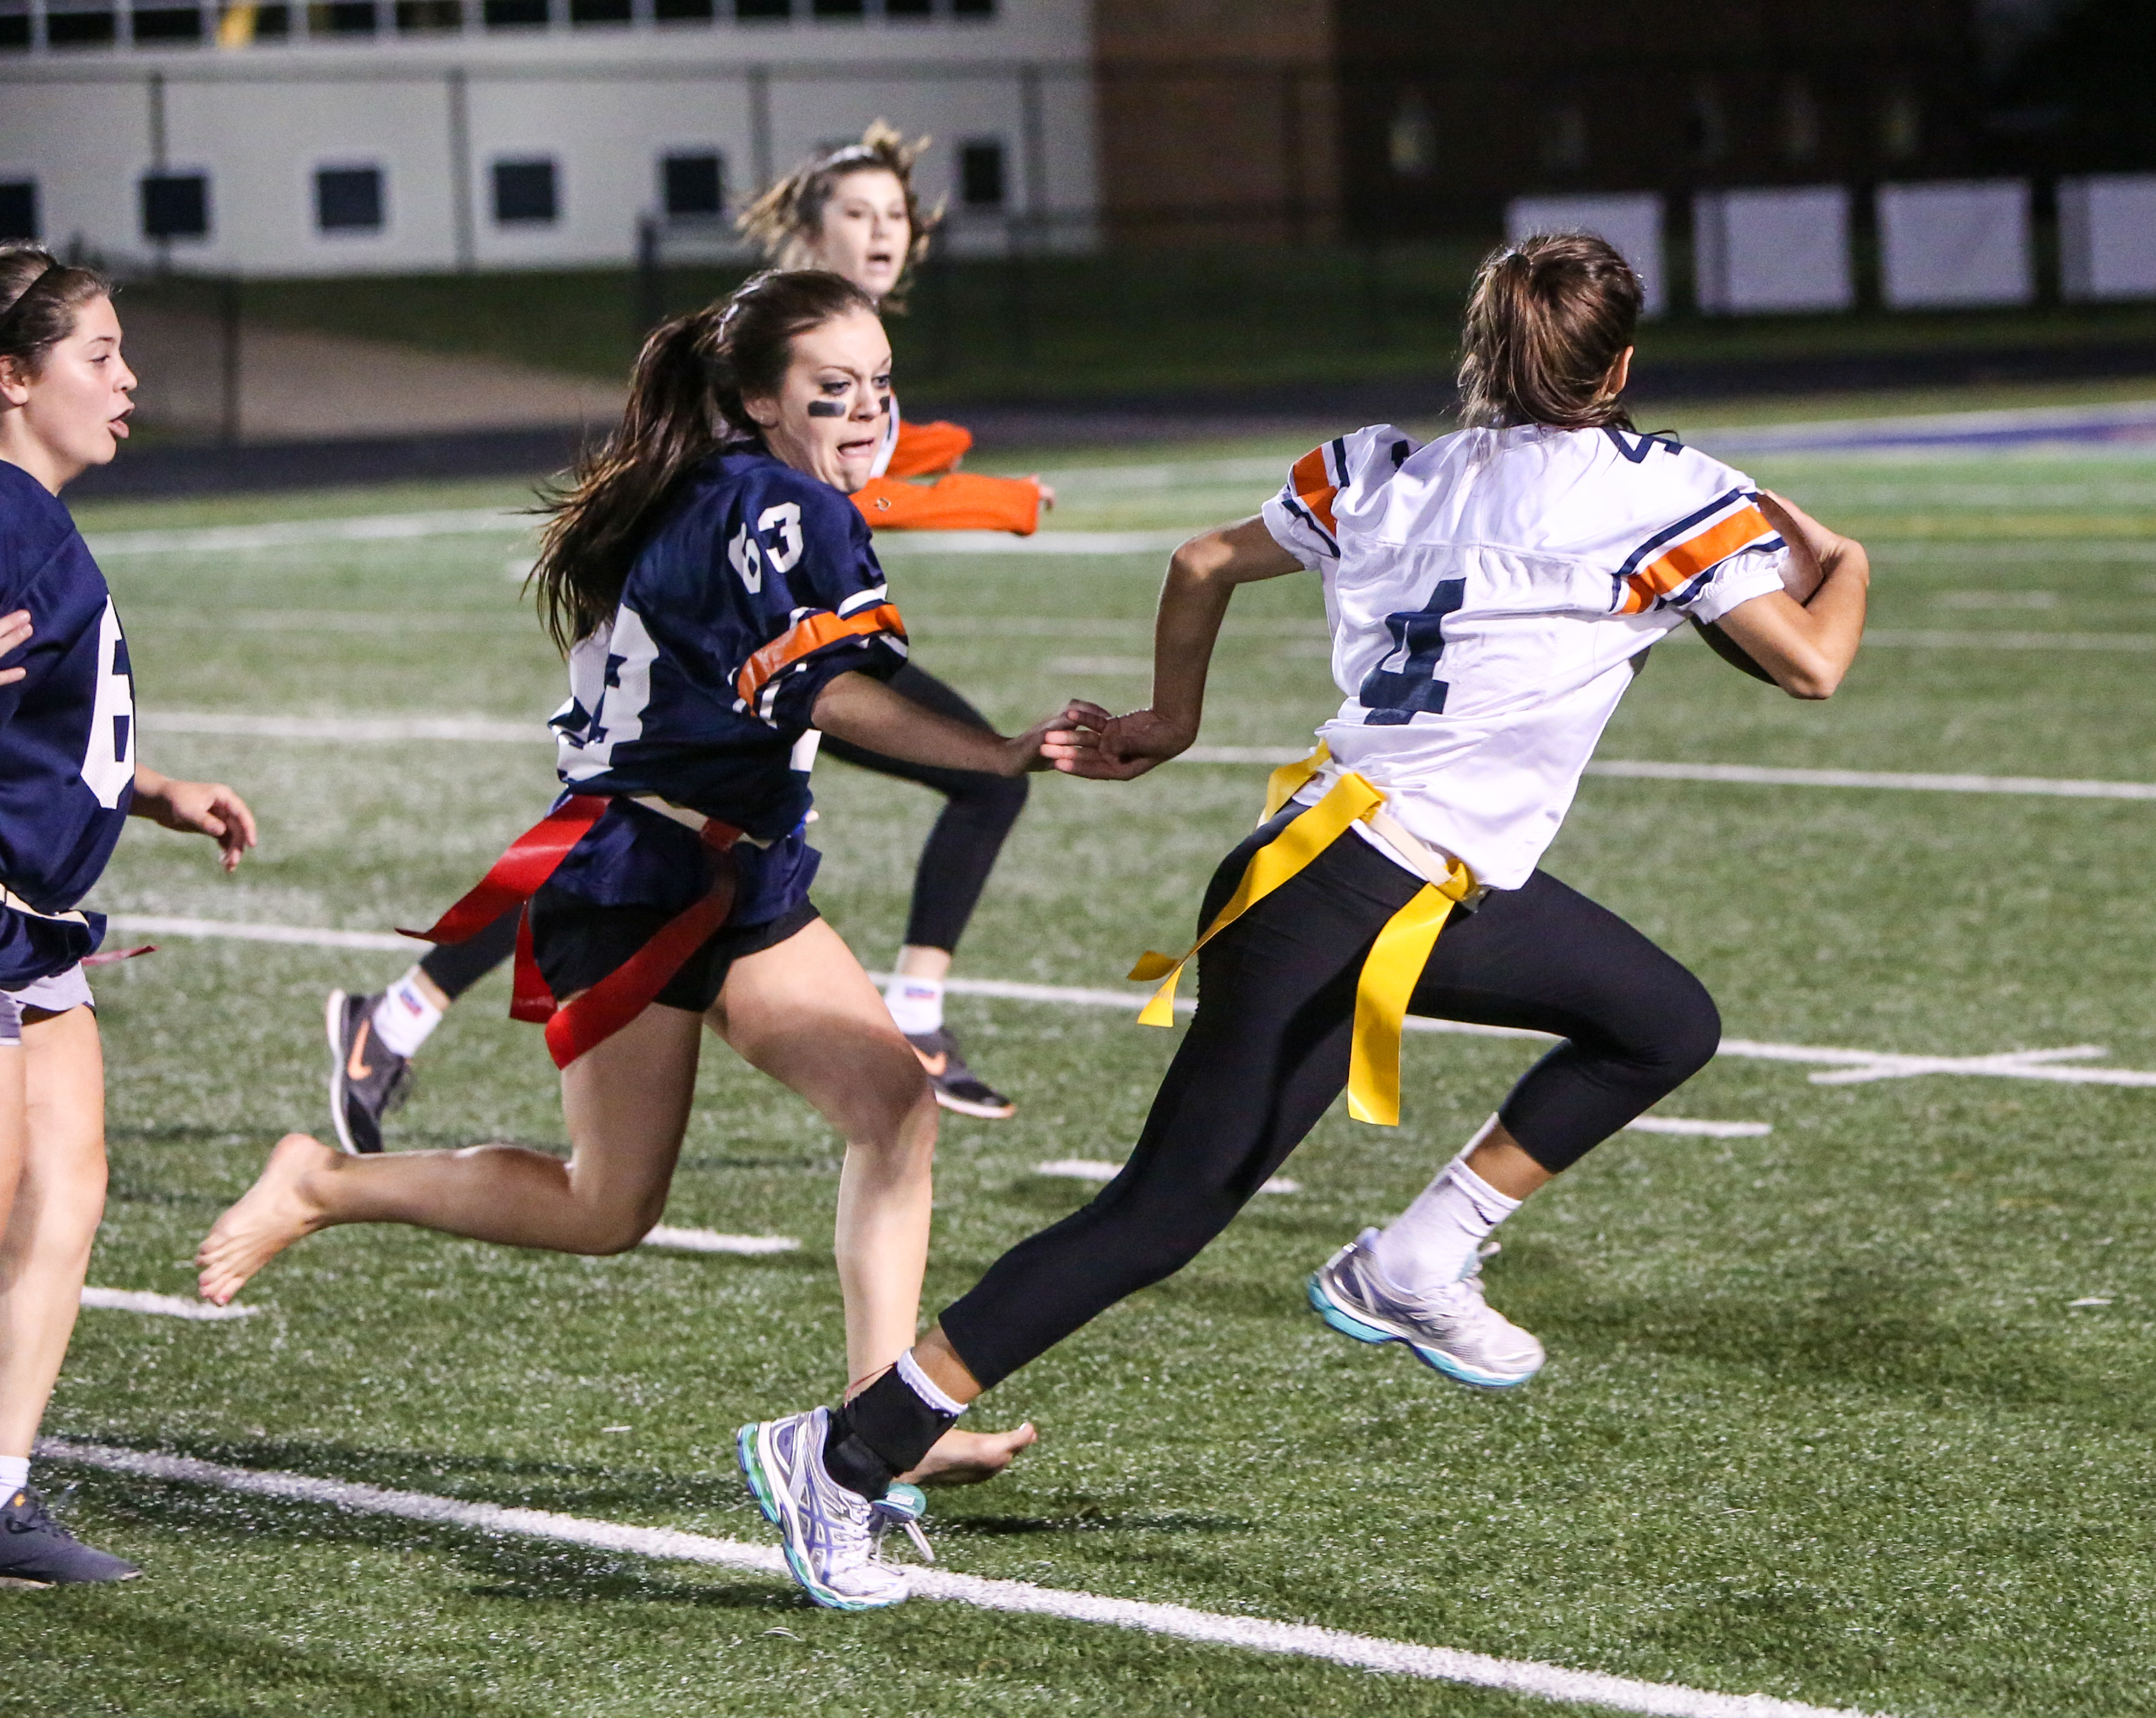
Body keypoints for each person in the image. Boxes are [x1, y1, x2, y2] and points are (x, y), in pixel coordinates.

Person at [732, 233, 1872, 1610]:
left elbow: (1203, 557)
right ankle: (855, 1450)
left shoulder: (1386, 466)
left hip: (1329, 863)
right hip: (1378, 885)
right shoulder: (1661, 491)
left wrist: (1169, 721)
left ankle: (867, 1441)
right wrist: (1846, 553)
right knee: (1642, 1028)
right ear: (1619, 367)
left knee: (1176, 1207)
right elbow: (1809, 664)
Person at [197, 270, 1080, 1533]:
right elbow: (823, 692)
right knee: (606, 1206)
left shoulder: (707, 482)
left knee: (892, 1104)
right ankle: (323, 1181)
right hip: (638, 877)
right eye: (835, 389)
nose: (868, 409)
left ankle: (874, 1424)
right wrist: (994, 752)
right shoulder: (772, 505)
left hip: (725, 866)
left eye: (882, 384)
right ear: (759, 399)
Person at [324, 124, 1047, 1152]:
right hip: (717, 652)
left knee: (639, 841)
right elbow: (755, 507)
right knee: (634, 837)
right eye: (858, 213)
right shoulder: (762, 355)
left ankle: (397, 1018)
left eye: (896, 215)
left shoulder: (849, 357)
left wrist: (944, 477)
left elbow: (842, 495)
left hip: (768, 641)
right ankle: (917, 1025)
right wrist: (986, 498)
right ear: (805, 229)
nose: (883, 232)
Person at [0, 244, 260, 1583]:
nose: (128, 380)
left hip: (40, 916)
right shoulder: (0, 514)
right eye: (97, 355)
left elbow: (37, 717)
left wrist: (150, 790)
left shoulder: (32, 515)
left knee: (68, 1181)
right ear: (10, 374)